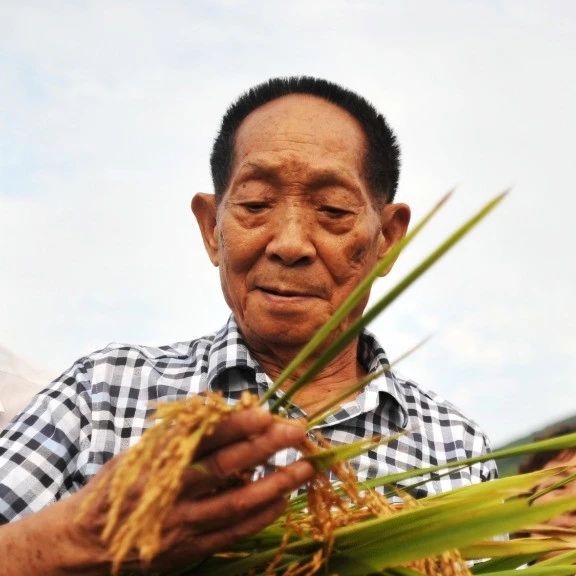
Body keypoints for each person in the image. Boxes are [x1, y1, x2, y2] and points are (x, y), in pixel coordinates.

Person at [0, 76, 497, 574]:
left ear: (387, 238)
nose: (290, 243)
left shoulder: (454, 447)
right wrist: (78, 539)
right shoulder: (107, 391)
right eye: (256, 204)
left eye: (333, 211)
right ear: (210, 228)